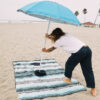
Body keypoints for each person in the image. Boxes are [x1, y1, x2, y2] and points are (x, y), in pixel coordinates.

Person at [42, 28, 96, 96]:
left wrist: (45, 50)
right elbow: (57, 37)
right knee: (88, 70)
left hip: (79, 52)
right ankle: (93, 89)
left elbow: (51, 49)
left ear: (55, 35)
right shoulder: (67, 34)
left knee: (69, 64)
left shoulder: (58, 41)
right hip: (87, 49)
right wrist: (49, 36)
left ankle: (68, 78)